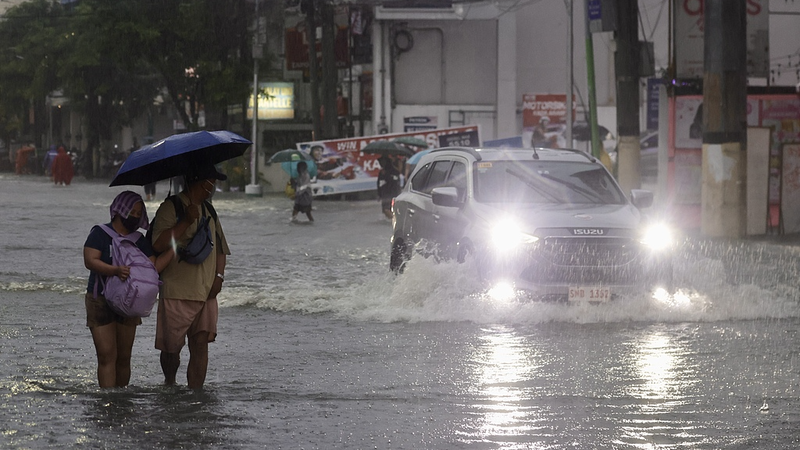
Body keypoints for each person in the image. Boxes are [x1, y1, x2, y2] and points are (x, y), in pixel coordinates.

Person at [150, 165, 231, 389]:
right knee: (171, 348)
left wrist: (219, 277)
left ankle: (196, 394)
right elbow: (158, 244)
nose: (214, 187)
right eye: (212, 181)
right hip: (176, 290)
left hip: (206, 292)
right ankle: (170, 385)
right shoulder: (171, 207)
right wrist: (185, 221)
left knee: (201, 344)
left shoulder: (209, 210)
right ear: (202, 182)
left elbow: (221, 249)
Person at [83, 191, 173, 388]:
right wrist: (115, 270)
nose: (135, 216)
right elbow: (90, 260)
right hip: (100, 298)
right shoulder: (99, 233)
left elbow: (153, 267)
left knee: (124, 357)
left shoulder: (139, 240)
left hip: (130, 300)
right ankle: (108, 399)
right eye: (132, 212)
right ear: (119, 211)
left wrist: (175, 248)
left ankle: (121, 398)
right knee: (106, 355)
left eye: (139, 213)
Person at [377, 156, 401, 220]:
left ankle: (394, 220)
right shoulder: (381, 172)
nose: (380, 164)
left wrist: (386, 175)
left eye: (382, 162)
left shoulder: (393, 171)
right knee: (386, 209)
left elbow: (394, 182)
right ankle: (393, 219)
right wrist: (379, 194)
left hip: (391, 192)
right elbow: (379, 183)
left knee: (386, 209)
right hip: (385, 192)